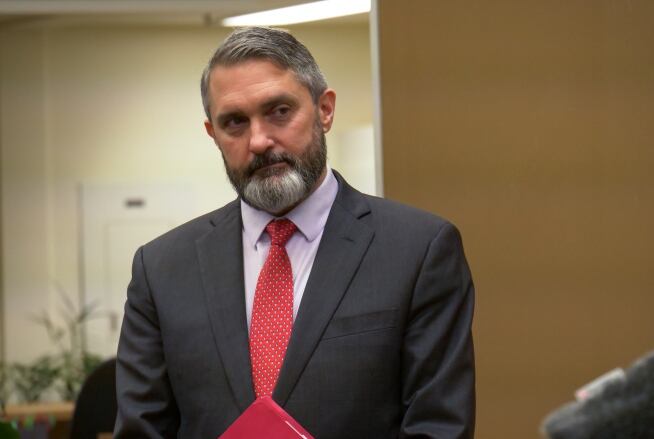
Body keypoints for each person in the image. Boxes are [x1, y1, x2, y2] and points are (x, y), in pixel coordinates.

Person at [114, 27, 475, 439]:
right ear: (213, 135)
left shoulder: (418, 250)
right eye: (234, 122)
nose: (260, 140)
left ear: (325, 110)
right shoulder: (161, 269)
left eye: (279, 111)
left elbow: (438, 428)